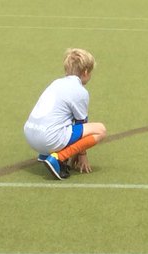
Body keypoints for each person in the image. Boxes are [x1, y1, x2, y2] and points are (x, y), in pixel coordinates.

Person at [23, 48, 108, 180]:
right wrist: (82, 155)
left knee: (65, 126)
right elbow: (81, 123)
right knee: (100, 130)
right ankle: (58, 158)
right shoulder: (80, 91)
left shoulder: (56, 83)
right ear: (85, 72)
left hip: (30, 135)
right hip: (47, 139)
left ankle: (47, 154)